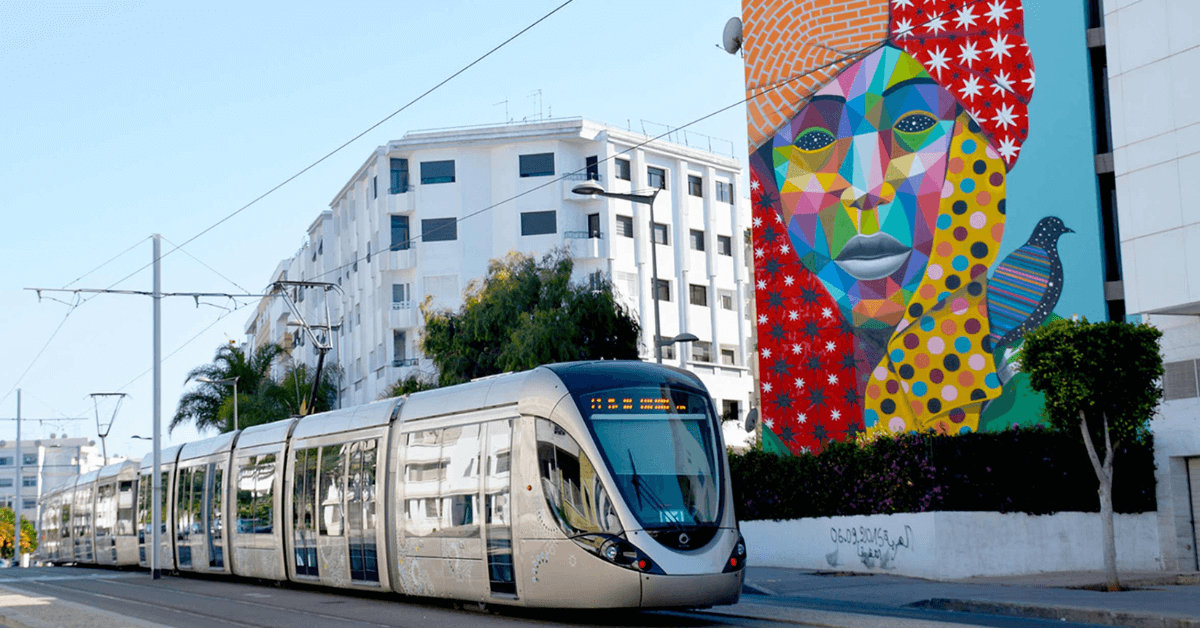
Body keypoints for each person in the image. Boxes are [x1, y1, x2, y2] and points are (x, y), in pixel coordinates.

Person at [747, 0, 1035, 441]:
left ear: (975, 160)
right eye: (816, 140)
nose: (865, 189)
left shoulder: (1042, 376)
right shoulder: (791, 425)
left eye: (914, 124)